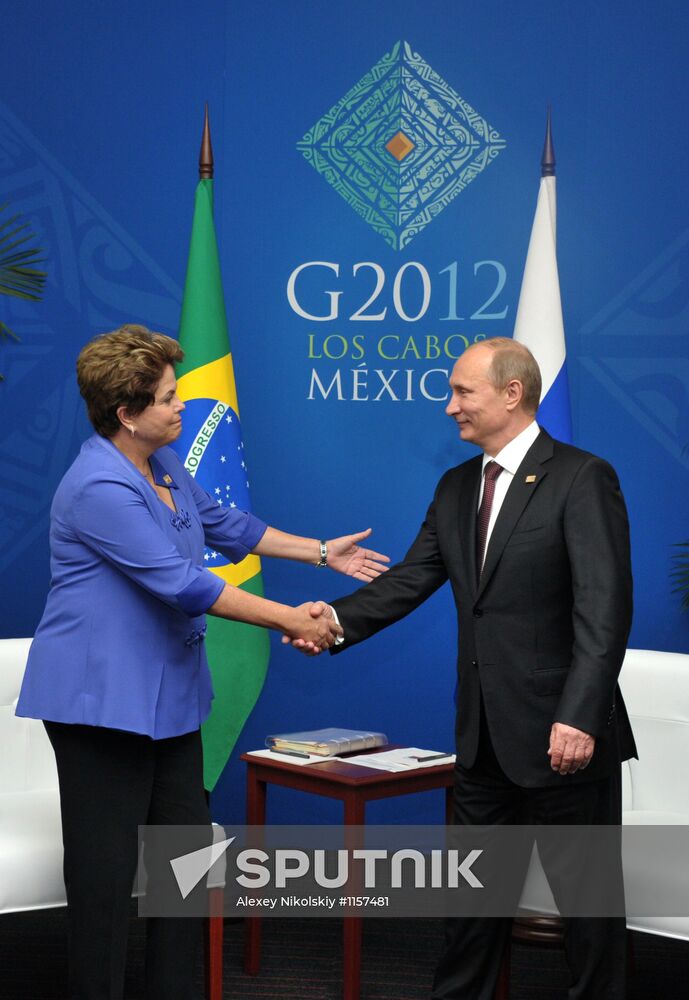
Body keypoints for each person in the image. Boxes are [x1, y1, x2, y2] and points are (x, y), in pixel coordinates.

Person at [15, 324, 389, 1000]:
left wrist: (320, 551)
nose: (180, 406)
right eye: (166, 398)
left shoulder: (161, 466)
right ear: (126, 415)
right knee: (104, 878)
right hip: (100, 705)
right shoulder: (98, 485)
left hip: (172, 699)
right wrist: (294, 618)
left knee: (185, 867)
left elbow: (230, 526)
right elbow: (183, 584)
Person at [288, 337, 636, 999]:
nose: (449, 407)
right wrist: (330, 624)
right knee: (470, 905)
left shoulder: (581, 476)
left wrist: (578, 716)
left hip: (564, 737)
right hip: (481, 738)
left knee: (587, 909)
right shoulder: (454, 487)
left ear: (512, 393)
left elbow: (604, 605)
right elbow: (411, 580)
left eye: (461, 392)